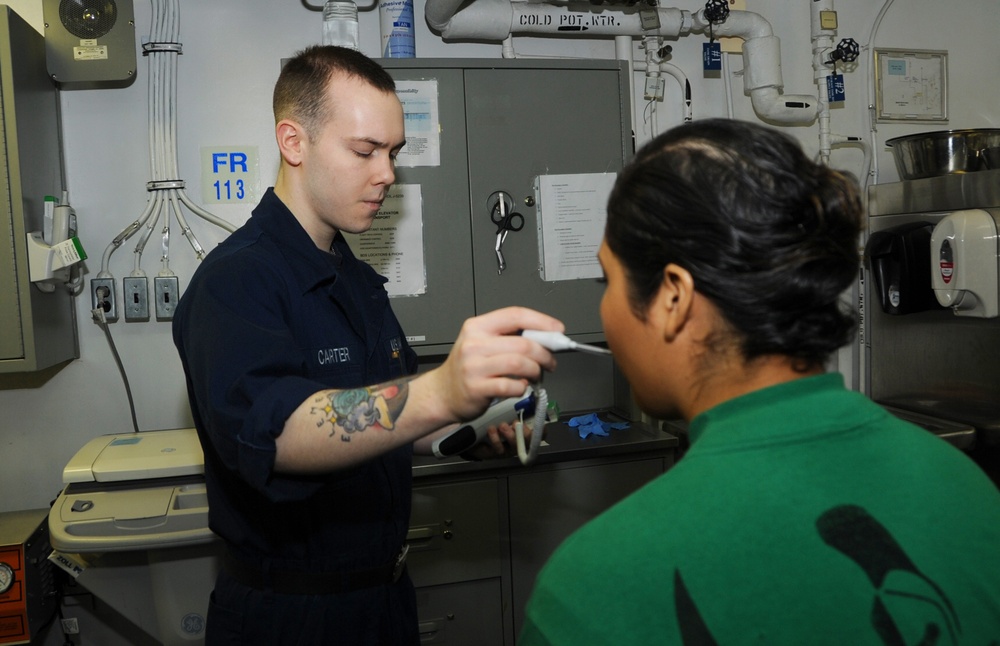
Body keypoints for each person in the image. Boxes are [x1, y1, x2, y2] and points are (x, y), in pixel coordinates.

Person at [519, 118, 1000, 644]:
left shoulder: (592, 587)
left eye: (608, 279)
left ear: (673, 298)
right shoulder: (971, 496)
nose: (604, 305)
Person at [172, 45, 563, 645]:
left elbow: (388, 408)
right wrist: (441, 390)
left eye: (394, 152)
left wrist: (470, 425)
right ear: (294, 142)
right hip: (291, 618)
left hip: (382, 602)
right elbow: (279, 434)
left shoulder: (354, 278)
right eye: (364, 151)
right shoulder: (236, 282)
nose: (387, 173)